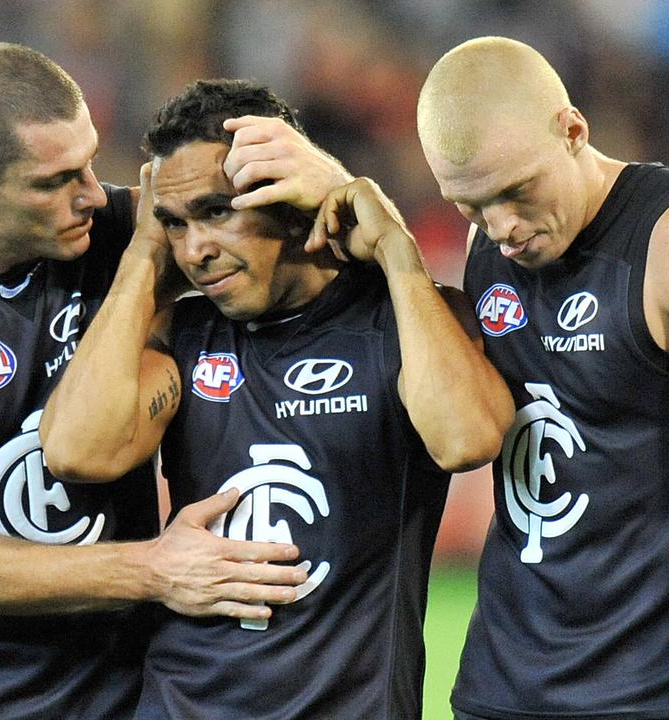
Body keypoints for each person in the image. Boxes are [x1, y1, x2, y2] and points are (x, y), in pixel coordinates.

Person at [0, 43, 316, 720]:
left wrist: (321, 176)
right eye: (53, 181)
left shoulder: (125, 234)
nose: (90, 192)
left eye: (89, 160)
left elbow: (314, 245)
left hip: (116, 698)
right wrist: (154, 570)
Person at [40, 78, 515, 719]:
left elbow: (467, 440)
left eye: (216, 211)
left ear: (288, 200)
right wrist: (142, 260)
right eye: (175, 224)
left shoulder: (404, 322)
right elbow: (75, 451)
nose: (196, 249)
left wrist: (396, 252)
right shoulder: (183, 335)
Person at [414, 37, 669, 720]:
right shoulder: (489, 247)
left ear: (572, 130)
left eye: (516, 193)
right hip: (502, 688)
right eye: (473, 206)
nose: (503, 228)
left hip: (661, 690)